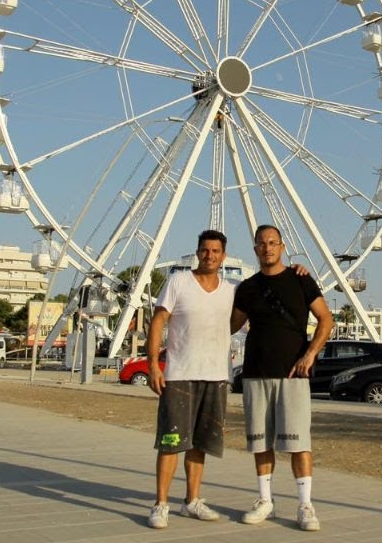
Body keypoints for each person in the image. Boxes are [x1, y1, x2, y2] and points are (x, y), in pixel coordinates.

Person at [231, 224, 334, 532]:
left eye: (273, 243)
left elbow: (326, 319)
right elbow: (230, 325)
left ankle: (305, 504)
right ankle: (266, 500)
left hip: (292, 375)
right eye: (262, 244)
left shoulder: (300, 280)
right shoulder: (247, 288)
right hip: (256, 372)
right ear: (255, 249)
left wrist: (310, 354)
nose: (267, 248)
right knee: (260, 441)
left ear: (282, 246)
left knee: (299, 441)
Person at [145, 230, 234, 529]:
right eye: (205, 250)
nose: (210, 255)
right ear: (198, 252)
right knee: (170, 441)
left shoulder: (231, 290)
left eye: (216, 251)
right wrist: (153, 365)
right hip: (180, 375)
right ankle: (161, 503)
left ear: (223, 256)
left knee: (200, 444)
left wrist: (299, 272)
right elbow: (158, 320)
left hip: (216, 376)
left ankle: (192, 500)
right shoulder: (178, 282)